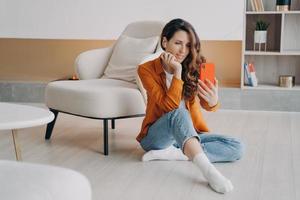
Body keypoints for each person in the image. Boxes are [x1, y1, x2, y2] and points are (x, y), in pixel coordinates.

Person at [136, 18, 244, 194]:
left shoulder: (194, 66)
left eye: (187, 45)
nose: (183, 50)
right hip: (156, 138)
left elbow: (208, 105)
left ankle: (177, 154)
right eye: (178, 43)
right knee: (179, 113)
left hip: (188, 135)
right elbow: (169, 107)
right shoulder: (146, 69)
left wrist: (213, 101)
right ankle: (209, 172)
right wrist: (177, 71)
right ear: (164, 41)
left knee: (237, 146)